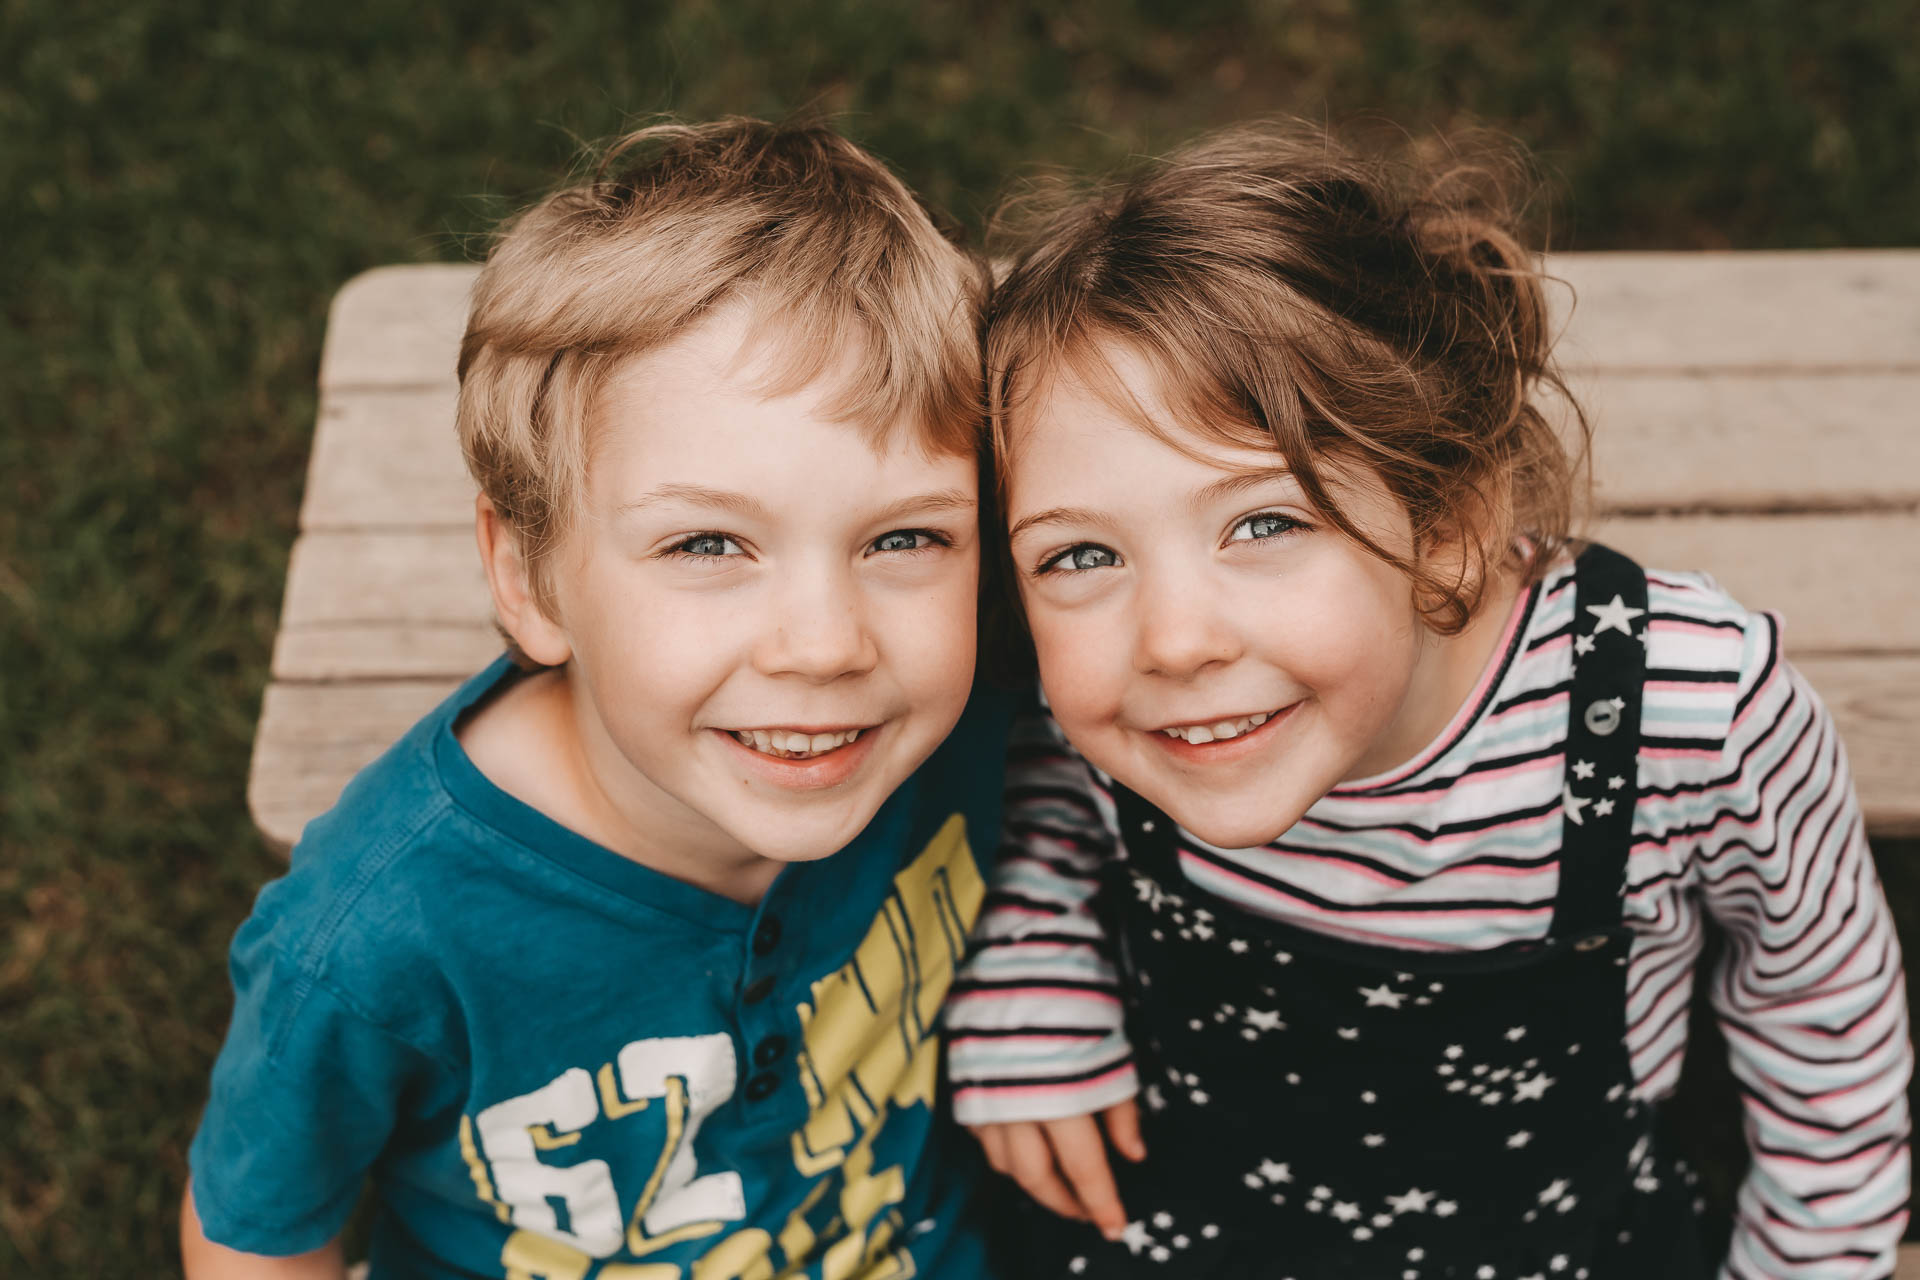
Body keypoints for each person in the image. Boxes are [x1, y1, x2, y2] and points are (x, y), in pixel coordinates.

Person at [943, 124, 1911, 1278]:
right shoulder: (1108, 704)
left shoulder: (1684, 712)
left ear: (1448, 528)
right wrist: (1035, 959)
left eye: (1265, 522)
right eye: (1079, 556)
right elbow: (1050, 768)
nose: (1173, 640)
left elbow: (1826, 1023)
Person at [181, 118, 1014, 1280]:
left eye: (907, 535)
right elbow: (258, 1231)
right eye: (709, 541)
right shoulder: (378, 935)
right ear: (527, 576)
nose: (827, 644)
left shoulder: (973, 705)